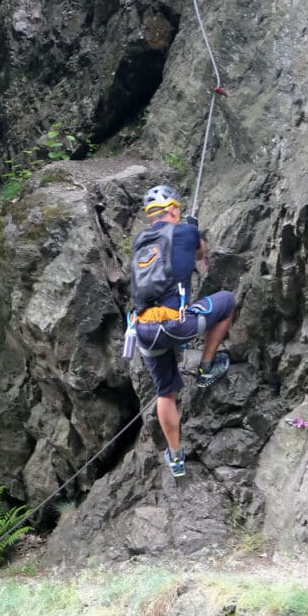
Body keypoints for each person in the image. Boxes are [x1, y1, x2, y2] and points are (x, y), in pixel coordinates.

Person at [132, 184, 234, 478]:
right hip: (176, 325)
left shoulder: (140, 241)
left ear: (152, 216)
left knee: (166, 392)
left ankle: (175, 456)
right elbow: (202, 252)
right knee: (226, 301)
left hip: (144, 330)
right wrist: (193, 228)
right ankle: (205, 368)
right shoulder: (186, 232)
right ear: (174, 209)